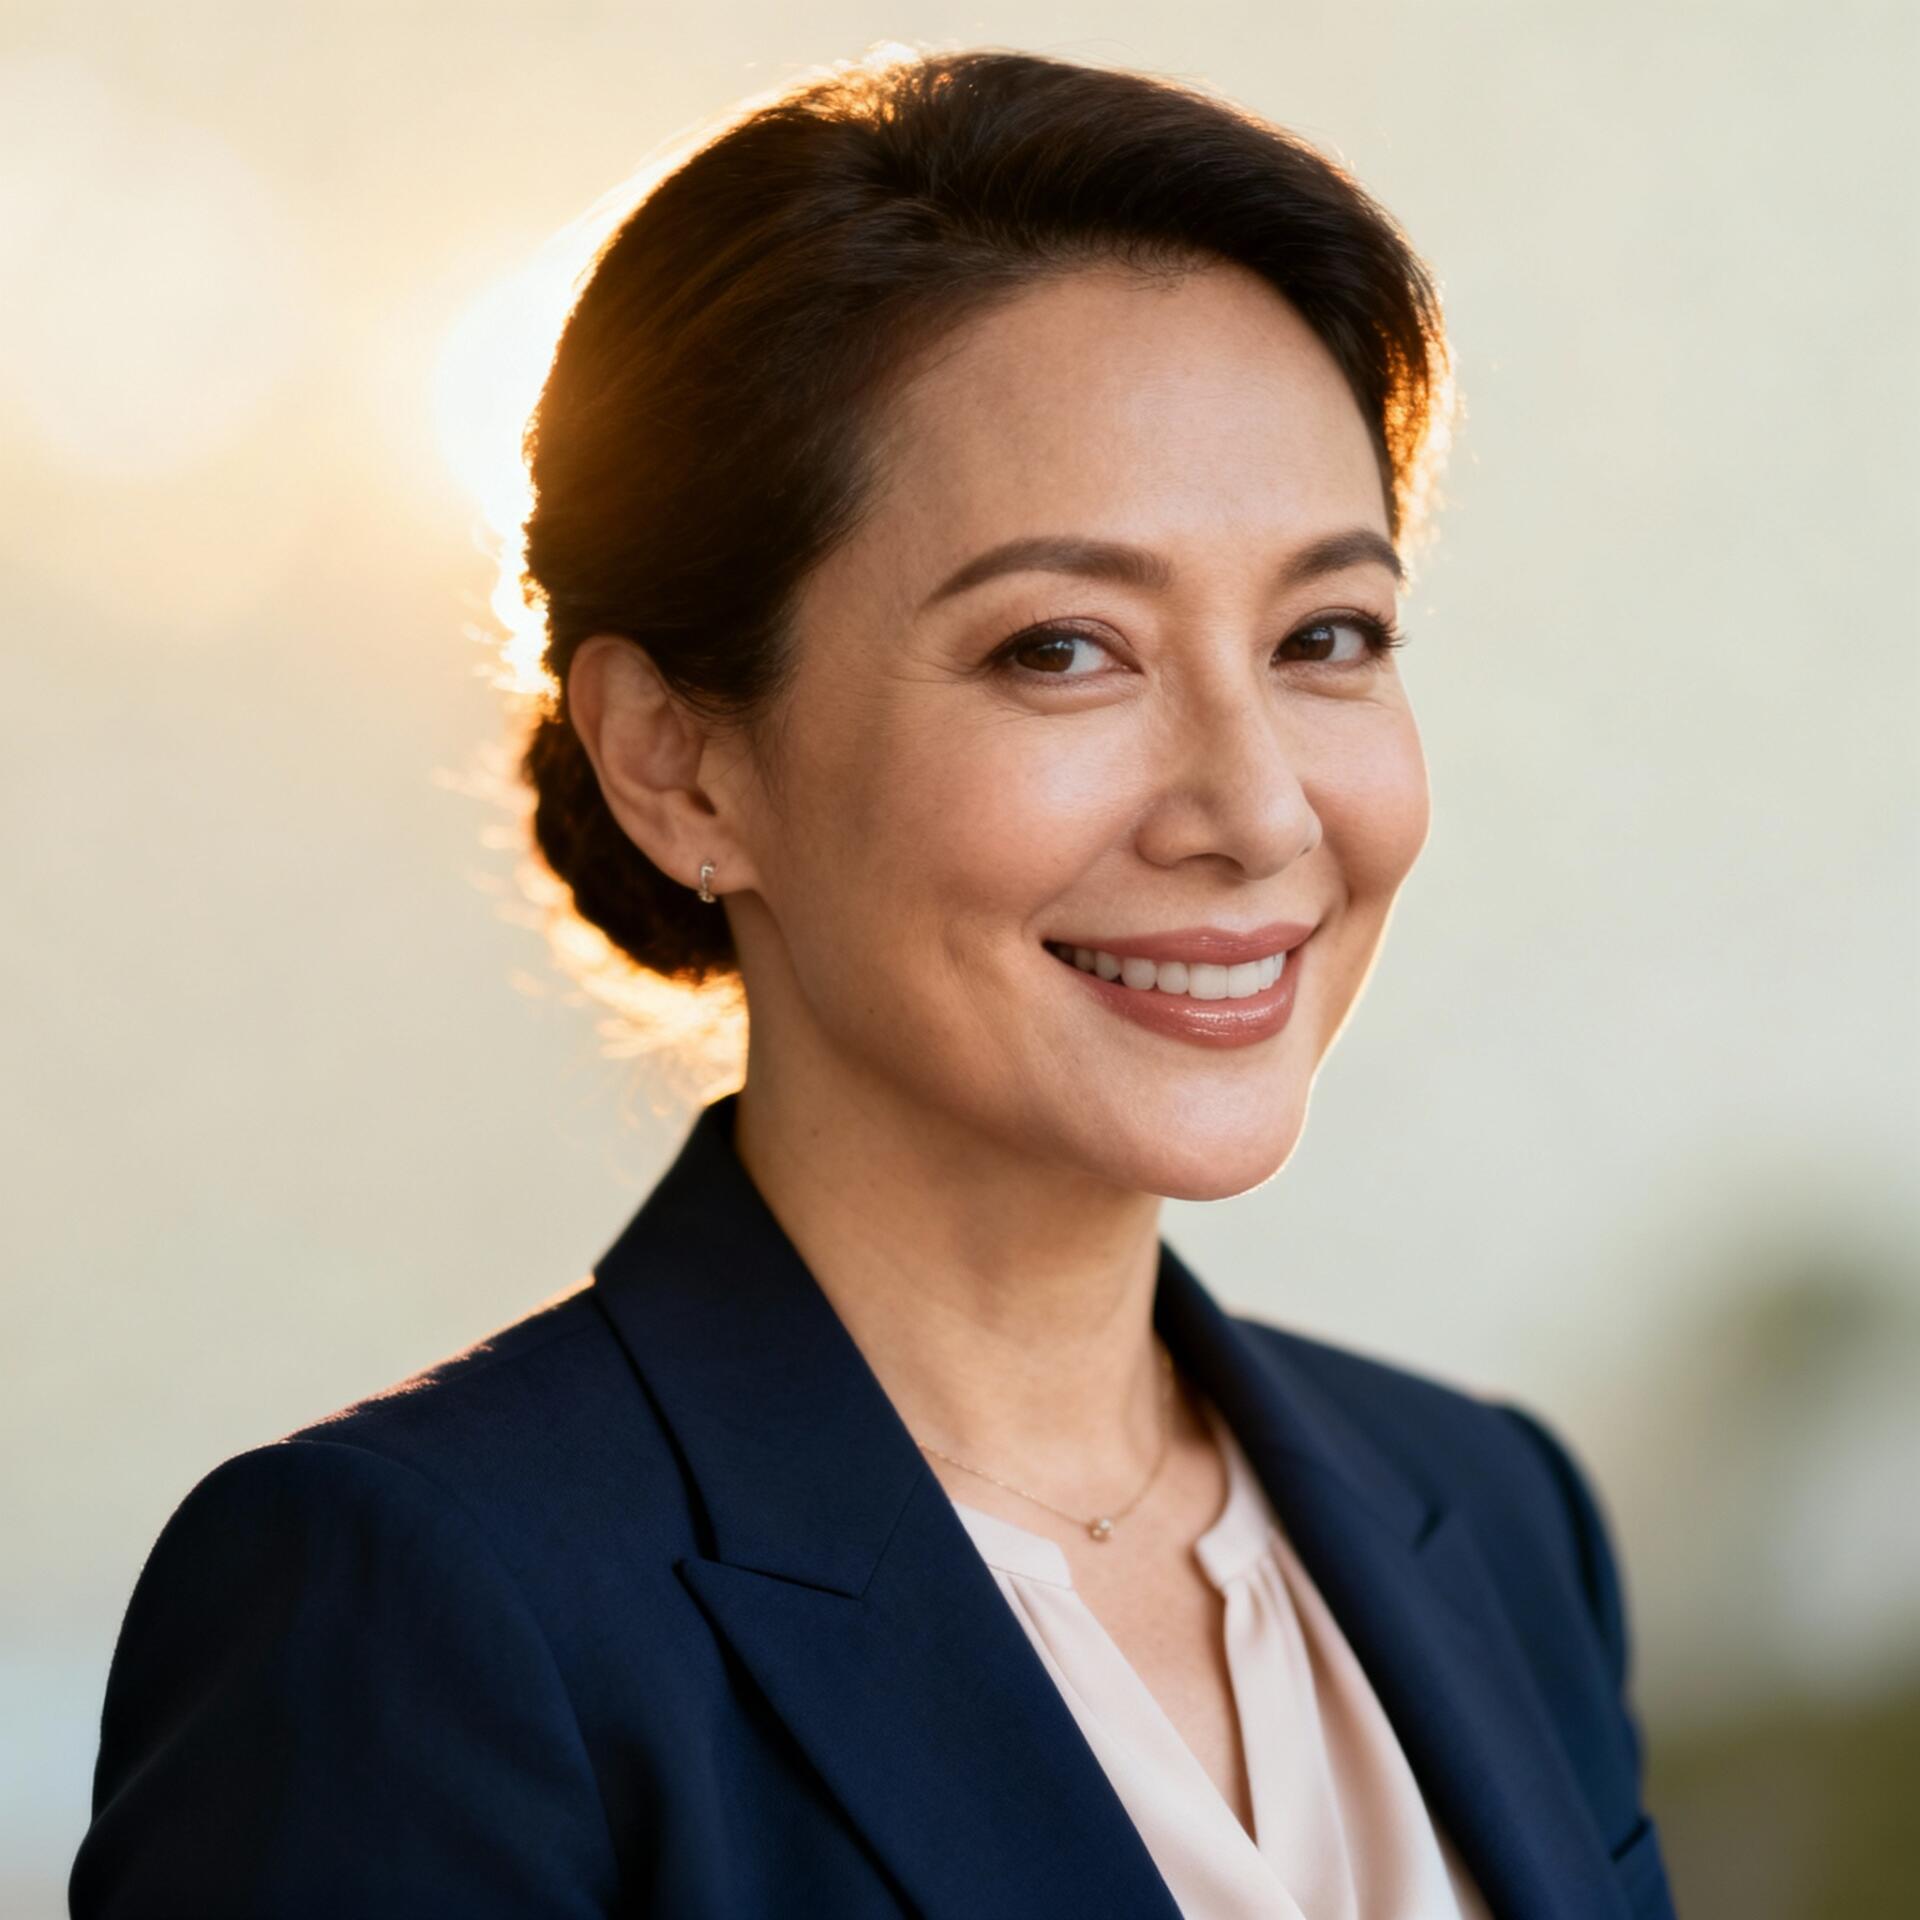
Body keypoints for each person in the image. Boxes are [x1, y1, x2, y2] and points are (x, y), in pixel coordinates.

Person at [70, 46, 1678, 1920]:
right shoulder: (421, 1603)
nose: (1254, 810)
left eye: (1329, 636)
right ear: (680, 763)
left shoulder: (1491, 1513)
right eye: (1063, 649)